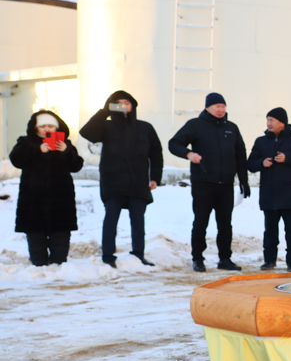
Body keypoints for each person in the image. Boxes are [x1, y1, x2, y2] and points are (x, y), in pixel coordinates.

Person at [79, 91, 163, 268]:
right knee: (111, 219)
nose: (124, 105)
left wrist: (155, 177)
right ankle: (108, 256)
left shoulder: (145, 127)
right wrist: (105, 111)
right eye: (119, 102)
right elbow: (86, 132)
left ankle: (138, 254)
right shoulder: (106, 126)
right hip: (113, 181)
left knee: (138, 220)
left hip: (138, 182)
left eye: (127, 102)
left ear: (133, 105)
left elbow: (156, 153)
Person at [168, 92, 250, 272]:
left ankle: (225, 259)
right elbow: (174, 143)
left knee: (225, 224)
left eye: (223, 106)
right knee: (200, 222)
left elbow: (240, 155)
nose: (221, 110)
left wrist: (243, 181)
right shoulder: (195, 125)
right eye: (217, 107)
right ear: (207, 108)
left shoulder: (232, 128)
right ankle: (197, 258)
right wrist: (189, 154)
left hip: (226, 184)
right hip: (203, 183)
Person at [10, 110, 83, 266]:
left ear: (57, 127)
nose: (47, 129)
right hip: (33, 198)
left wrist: (67, 151)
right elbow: (16, 159)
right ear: (36, 128)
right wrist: (37, 150)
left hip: (61, 197)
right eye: (43, 126)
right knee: (35, 233)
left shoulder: (65, 143)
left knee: (61, 232)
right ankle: (38, 264)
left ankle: (59, 263)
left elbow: (76, 166)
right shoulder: (26, 142)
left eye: (51, 125)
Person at [247, 107, 291, 272]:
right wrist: (262, 162)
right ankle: (269, 261)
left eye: (272, 120)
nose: (268, 123)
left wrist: (288, 158)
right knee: (270, 231)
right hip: (269, 194)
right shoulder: (261, 141)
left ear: (282, 122)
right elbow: (250, 164)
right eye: (267, 120)